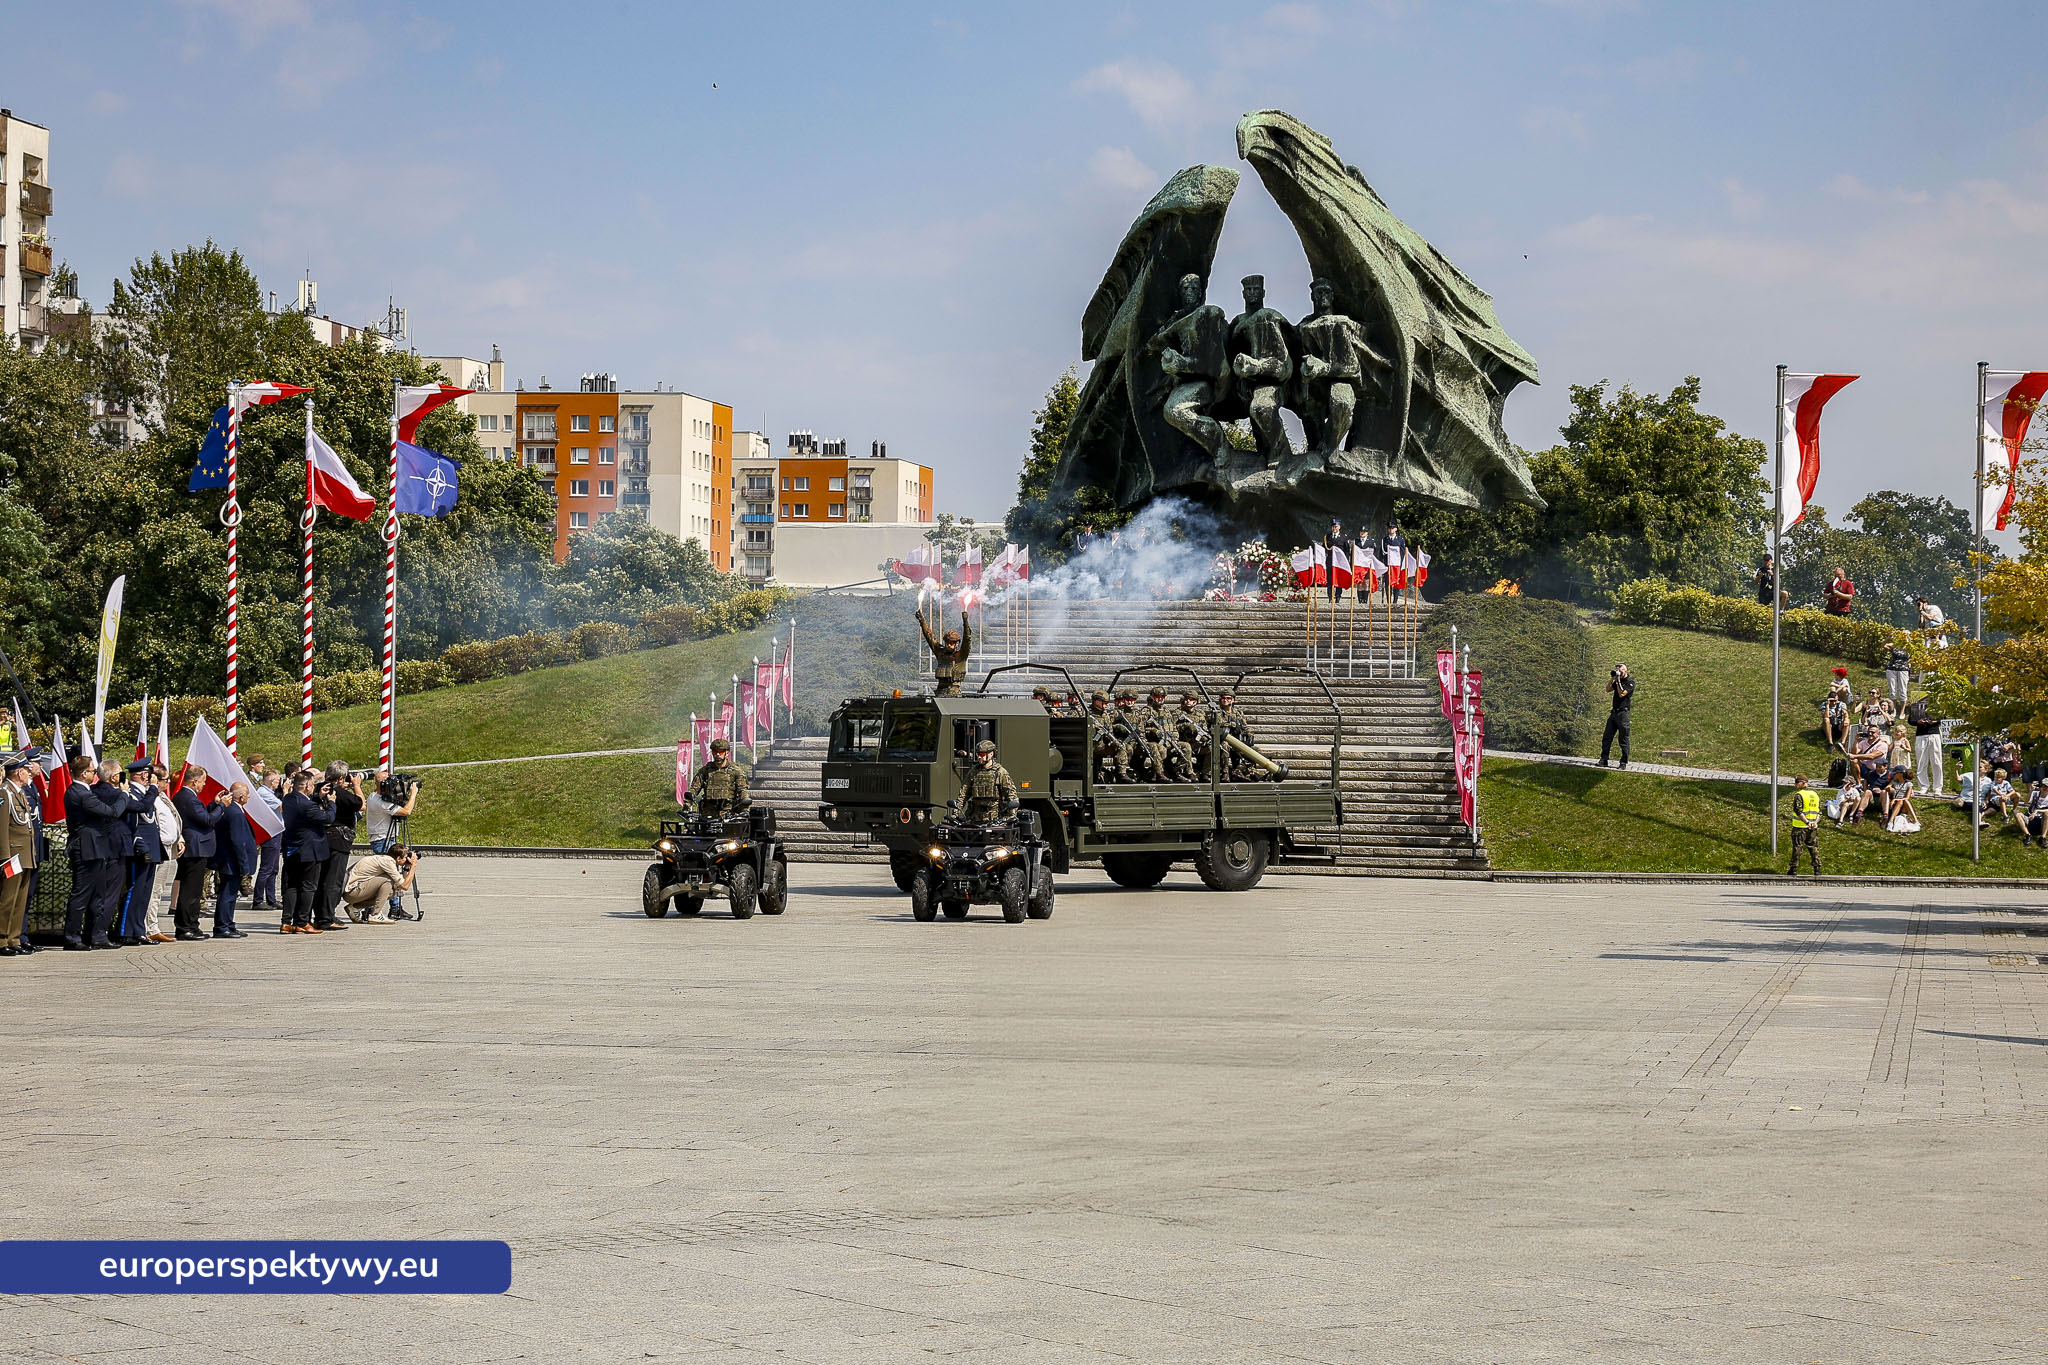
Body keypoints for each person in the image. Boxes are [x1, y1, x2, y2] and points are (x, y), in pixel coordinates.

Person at [63, 757, 135, 950]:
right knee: (81, 894)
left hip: (97, 847)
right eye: (93, 772)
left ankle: (96, 935)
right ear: (84, 773)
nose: (95, 775)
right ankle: (72, 937)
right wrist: (124, 795)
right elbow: (112, 812)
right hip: (86, 847)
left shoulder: (84, 792)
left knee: (98, 894)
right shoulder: (80, 794)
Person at [115, 759, 166, 946]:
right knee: (134, 890)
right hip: (140, 846)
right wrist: (153, 788)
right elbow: (138, 814)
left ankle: (138, 930)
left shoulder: (144, 792)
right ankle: (125, 931)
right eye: (147, 773)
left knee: (145, 893)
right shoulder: (131, 793)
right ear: (143, 774)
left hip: (151, 846)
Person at [170, 770, 225, 942]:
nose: (204, 785)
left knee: (193, 890)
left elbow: (200, 816)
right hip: (195, 849)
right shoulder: (188, 798)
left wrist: (214, 804)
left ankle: (192, 925)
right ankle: (185, 927)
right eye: (202, 782)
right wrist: (222, 806)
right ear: (194, 782)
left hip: (197, 848)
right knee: (190, 891)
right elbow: (207, 820)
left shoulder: (186, 796)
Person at [279, 770, 334, 934]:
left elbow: (304, 806)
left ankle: (286, 922)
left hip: (292, 848)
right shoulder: (308, 805)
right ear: (308, 786)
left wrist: (319, 796)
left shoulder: (288, 799)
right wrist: (331, 803)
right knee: (308, 886)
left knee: (291, 886)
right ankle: (302, 921)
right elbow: (328, 818)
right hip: (309, 849)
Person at [313, 762, 361, 930]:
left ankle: (319, 916)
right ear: (341, 778)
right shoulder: (338, 791)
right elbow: (360, 804)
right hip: (338, 840)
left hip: (320, 838)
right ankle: (327, 917)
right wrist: (356, 785)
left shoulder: (318, 788)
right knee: (333, 880)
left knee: (321, 879)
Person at [0, 752, 38, 957]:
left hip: (24, 854)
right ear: (19, 772)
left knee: (20, 899)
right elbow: (2, 826)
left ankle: (14, 938)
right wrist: (5, 855)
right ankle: (1, 938)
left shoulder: (20, 792)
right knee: (8, 898)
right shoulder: (5, 792)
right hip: (12, 854)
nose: (29, 774)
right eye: (27, 770)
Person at [211, 782, 257, 938]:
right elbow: (238, 841)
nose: (249, 796)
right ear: (242, 796)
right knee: (227, 895)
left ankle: (229, 924)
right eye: (248, 793)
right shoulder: (235, 813)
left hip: (229, 860)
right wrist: (244, 865)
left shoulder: (233, 810)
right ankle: (222, 926)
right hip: (231, 861)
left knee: (230, 895)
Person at [343, 844, 419, 923]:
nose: (408, 859)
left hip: (353, 891)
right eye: (406, 857)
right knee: (388, 880)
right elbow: (405, 886)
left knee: (391, 892)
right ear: (398, 858)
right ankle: (375, 915)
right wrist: (414, 866)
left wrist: (406, 867)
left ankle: (354, 908)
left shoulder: (385, 859)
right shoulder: (388, 862)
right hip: (352, 892)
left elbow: (400, 886)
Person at [959, 740, 1019, 822]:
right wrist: (955, 814)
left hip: (995, 820)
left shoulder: (1000, 772)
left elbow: (1011, 796)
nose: (979, 757)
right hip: (974, 819)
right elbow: (963, 794)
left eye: (982, 754)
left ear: (991, 754)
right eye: (977, 754)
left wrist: (1011, 816)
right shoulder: (973, 772)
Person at [917, 610, 971, 697]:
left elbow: (967, 639)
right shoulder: (940, 653)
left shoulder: (961, 655)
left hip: (954, 692)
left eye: (952, 643)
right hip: (939, 691)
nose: (949, 645)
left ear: (957, 643)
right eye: (947, 642)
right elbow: (929, 636)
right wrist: (922, 620)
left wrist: (965, 622)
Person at [252, 769, 285, 911]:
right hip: (270, 833)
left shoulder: (269, 793)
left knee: (274, 868)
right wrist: (287, 791)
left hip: (276, 832)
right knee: (266, 868)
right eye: (278, 780)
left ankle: (271, 898)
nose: (279, 783)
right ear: (272, 781)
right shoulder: (264, 793)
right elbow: (284, 807)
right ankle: (258, 899)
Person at [693, 737, 750, 816]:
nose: (718, 755)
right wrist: (687, 804)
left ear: (727, 753)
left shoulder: (736, 771)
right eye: (715, 752)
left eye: (721, 752)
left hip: (728, 813)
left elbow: (743, 790)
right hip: (708, 813)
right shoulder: (705, 771)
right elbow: (694, 789)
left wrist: (745, 809)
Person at [1905, 697, 1944, 796]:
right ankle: (1923, 786)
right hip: (1921, 735)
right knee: (1921, 761)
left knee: (1936, 761)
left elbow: (1943, 719)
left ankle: (1938, 788)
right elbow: (1911, 720)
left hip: (1934, 734)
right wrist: (1918, 722)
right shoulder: (1916, 706)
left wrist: (1935, 721)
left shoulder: (1938, 707)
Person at [1599, 664, 1634, 769]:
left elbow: (1621, 694)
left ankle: (1623, 763)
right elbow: (1608, 689)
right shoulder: (1616, 680)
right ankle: (1604, 759)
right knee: (1607, 737)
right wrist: (1612, 679)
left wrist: (1618, 681)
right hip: (1614, 713)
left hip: (1623, 714)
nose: (1619, 672)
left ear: (1626, 671)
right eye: (1617, 670)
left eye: (1621, 671)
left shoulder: (1630, 682)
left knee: (1623, 739)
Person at [1786, 775, 1822, 875]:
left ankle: (1793, 868)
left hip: (1800, 827)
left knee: (1797, 847)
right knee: (1813, 847)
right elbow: (1819, 811)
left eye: (1796, 782)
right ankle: (1817, 868)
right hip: (1813, 827)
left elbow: (1798, 811)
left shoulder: (1799, 795)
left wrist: (1807, 822)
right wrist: (1815, 822)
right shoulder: (1815, 794)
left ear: (1801, 783)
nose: (1795, 784)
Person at [1884, 636, 1912, 707]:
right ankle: (1894, 709)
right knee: (1892, 690)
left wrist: (1910, 663)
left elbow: (1914, 657)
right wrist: (1888, 638)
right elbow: (1884, 645)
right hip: (1891, 669)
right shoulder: (1895, 646)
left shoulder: (1910, 647)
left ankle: (1902, 711)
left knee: (1903, 690)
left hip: (1903, 670)